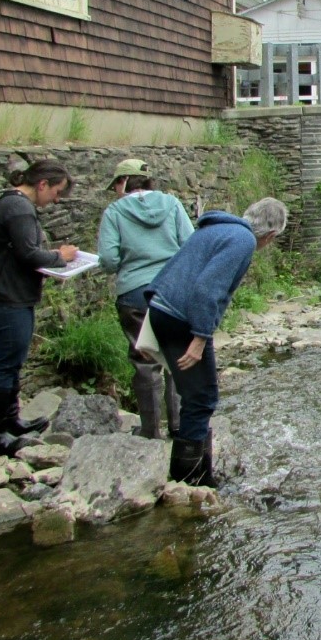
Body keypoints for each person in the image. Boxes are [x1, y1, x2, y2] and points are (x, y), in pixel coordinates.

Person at [146, 198, 287, 487]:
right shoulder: (243, 240)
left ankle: (192, 477)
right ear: (270, 236)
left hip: (162, 309)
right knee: (202, 398)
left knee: (193, 395)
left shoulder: (218, 228)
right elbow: (207, 288)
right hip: (181, 318)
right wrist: (200, 338)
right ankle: (191, 482)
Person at [0, 160, 79, 456]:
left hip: (2, 293)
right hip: (4, 297)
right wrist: (61, 256)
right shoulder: (18, 209)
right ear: (42, 184)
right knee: (6, 362)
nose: (56, 200)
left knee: (13, 360)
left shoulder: (8, 201)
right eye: (56, 192)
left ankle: (11, 421)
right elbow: (29, 254)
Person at [97, 159, 194, 440]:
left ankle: (151, 431)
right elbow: (189, 244)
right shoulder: (172, 203)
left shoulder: (114, 212)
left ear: (122, 182)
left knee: (145, 360)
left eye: (115, 185)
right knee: (176, 357)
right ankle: (179, 427)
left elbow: (108, 260)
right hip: (173, 291)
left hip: (135, 294)